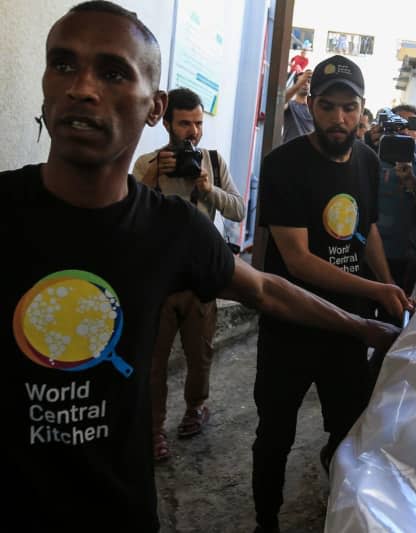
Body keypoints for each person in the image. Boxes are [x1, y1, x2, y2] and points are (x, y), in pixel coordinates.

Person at [2, 4, 400, 531]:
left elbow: (266, 289)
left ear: (152, 106)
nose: (82, 88)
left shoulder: (171, 229)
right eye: (63, 65)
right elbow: (288, 264)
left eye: (114, 71)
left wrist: (367, 324)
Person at [253, 55, 412, 533]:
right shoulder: (283, 165)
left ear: (363, 110)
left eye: (349, 108)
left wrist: (389, 288)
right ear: (311, 104)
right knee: (275, 435)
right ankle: (265, 521)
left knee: (349, 429)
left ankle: (341, 512)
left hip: (349, 330)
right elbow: (297, 259)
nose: (338, 119)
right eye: (327, 106)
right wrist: (376, 288)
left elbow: (368, 232)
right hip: (292, 324)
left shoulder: (367, 159)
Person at [132, 87, 245, 461]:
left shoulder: (212, 160)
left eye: (198, 123)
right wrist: (150, 178)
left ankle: (197, 407)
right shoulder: (148, 162)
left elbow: (239, 212)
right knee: (153, 362)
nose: (193, 132)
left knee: (200, 355)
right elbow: (128, 213)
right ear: (166, 123)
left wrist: (210, 191)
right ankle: (153, 428)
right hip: (158, 278)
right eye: (184, 123)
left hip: (200, 277)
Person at [375, 104, 416, 294]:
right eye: (398, 125)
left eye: (411, 126)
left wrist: (412, 182)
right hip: (372, 254)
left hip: (407, 258)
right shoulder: (370, 161)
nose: (405, 130)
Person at [282, 69, 313, 144]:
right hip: (291, 151)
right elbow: (280, 102)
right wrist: (298, 85)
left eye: (308, 82)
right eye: (303, 82)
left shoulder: (314, 108)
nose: (306, 84)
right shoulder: (290, 105)